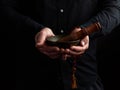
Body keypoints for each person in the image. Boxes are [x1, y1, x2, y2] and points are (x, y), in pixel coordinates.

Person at [1, 0, 120, 90]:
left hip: (85, 78)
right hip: (33, 77)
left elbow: (115, 9)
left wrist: (86, 31)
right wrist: (35, 31)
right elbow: (4, 8)